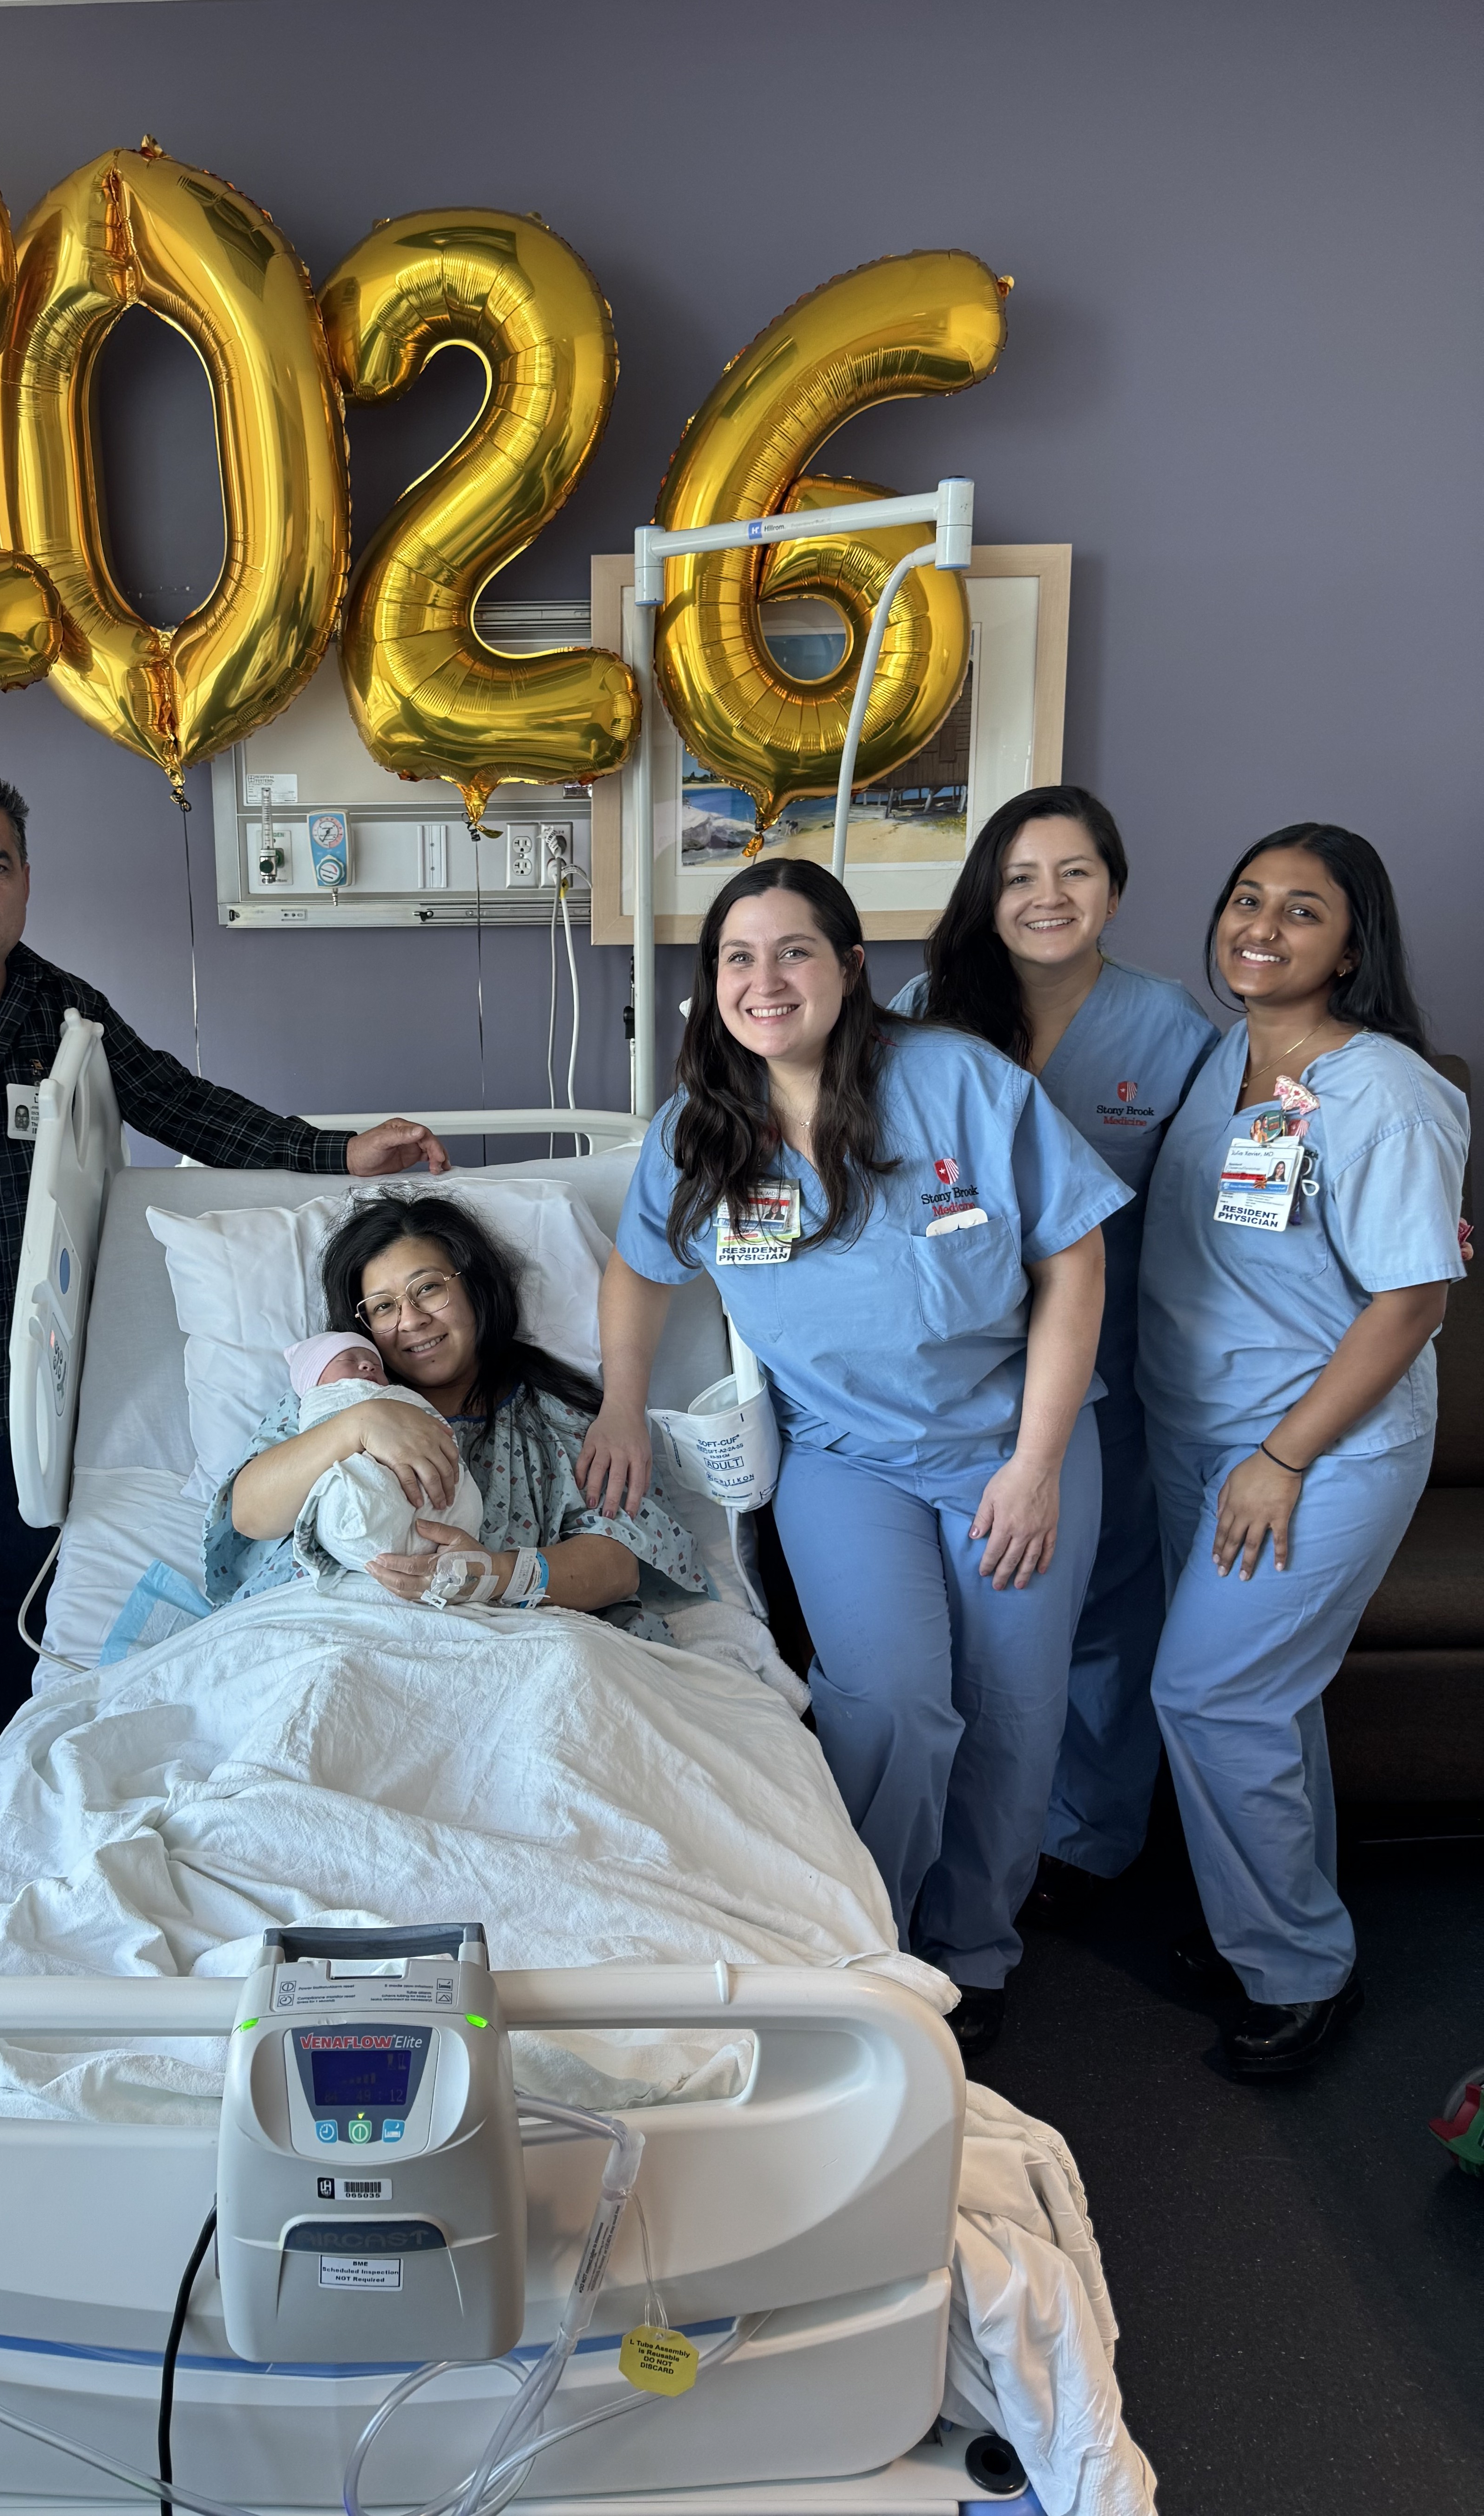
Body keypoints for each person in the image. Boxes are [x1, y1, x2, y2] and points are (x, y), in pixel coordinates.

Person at [0, 762, 452, 1878]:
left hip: (52, 1411)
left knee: (25, 1644)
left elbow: (186, 1105)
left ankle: (11, 1860)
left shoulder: (59, 1008)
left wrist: (338, 1154)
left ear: (27, 881)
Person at [580, 858, 1128, 2056]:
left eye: (793, 952)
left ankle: (974, 1948)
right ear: (712, 982)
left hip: (1010, 1444)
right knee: (891, 1701)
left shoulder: (959, 1082)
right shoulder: (700, 1130)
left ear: (850, 967)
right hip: (844, 1457)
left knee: (1014, 1709)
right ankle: (864, 1938)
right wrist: (623, 1402)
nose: (764, 979)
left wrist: (1035, 1464)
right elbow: (639, 1266)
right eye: (737, 956)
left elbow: (1072, 1261)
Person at [1137, 824, 1466, 2076]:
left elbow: (1410, 1301)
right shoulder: (1224, 1052)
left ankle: (1299, 1972)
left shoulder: (1380, 1090)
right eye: (1243, 898)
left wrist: (1278, 1456)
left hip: (1312, 1449)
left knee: (1210, 1692)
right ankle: (1263, 1923)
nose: (1258, 927)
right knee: (1261, 1697)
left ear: (1351, 943)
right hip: (1198, 1431)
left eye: (1301, 910)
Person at [890, 786, 1218, 1922]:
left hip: (1110, 1367)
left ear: (1114, 891)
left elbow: (1244, 1170)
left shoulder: (1170, 1025)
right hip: (959, 1370)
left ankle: (1085, 1840)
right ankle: (966, 1834)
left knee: (1111, 1602)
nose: (1048, 897)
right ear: (987, 891)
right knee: (968, 1616)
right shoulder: (929, 1012)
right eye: (1023, 875)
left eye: (1075, 872)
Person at [211, 1196, 701, 1625]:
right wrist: (360, 1424)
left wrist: (497, 1575)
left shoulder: (551, 1412)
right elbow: (250, 1514)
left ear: (477, 1287)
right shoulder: (328, 1398)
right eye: (383, 1307)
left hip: (500, 1634)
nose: (411, 1320)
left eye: (428, 1288)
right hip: (323, 1626)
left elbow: (619, 1563)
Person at [284, 1328, 487, 1573]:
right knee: (365, 1492)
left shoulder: (401, 1395)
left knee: (466, 1504)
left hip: (439, 1509)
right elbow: (247, 1516)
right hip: (371, 1510)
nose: (368, 1366)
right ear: (316, 1381)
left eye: (374, 1364)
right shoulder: (317, 1403)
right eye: (349, 1361)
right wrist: (362, 1422)